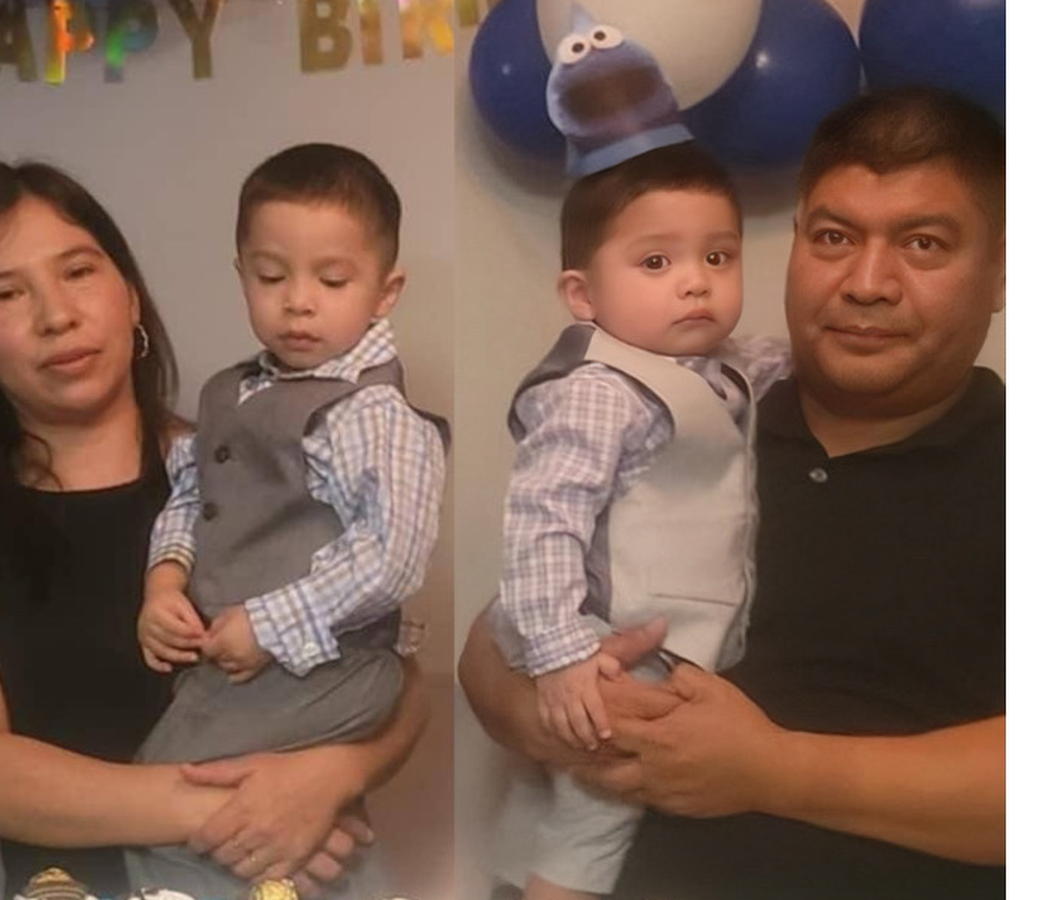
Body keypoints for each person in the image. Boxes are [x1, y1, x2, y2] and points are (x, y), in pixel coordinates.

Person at [460, 85, 1005, 900]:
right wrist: (566, 715)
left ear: (999, 272)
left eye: (923, 244)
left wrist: (772, 772)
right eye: (834, 237)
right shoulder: (687, 408)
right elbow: (489, 649)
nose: (867, 282)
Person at [0, 160, 430, 900]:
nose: (57, 315)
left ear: (130, 295)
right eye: (6, 293)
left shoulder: (246, 464)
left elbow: (392, 670)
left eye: (78, 272)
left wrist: (334, 775)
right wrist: (235, 814)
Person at [126, 143, 448, 900]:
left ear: (386, 290)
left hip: (330, 666)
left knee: (176, 791)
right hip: (240, 662)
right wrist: (164, 579)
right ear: (241, 273)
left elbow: (393, 556)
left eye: (332, 280)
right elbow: (193, 494)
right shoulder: (230, 393)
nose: (298, 301)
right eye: (271, 277)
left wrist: (269, 624)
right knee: (218, 803)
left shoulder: (373, 413)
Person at [486, 142, 789, 900]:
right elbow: (542, 521)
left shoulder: (723, 368)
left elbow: (762, 367)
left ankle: (514, 876)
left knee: (550, 801)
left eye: (718, 257)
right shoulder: (599, 392)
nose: (696, 281)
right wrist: (561, 654)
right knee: (601, 809)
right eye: (656, 262)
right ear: (583, 294)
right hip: (601, 635)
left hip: (654, 630)